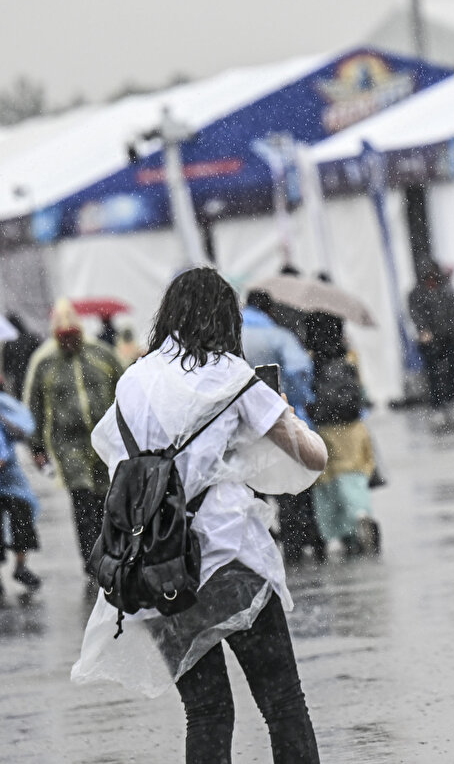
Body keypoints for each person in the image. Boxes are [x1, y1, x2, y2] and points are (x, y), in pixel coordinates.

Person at [71, 267, 328, 763]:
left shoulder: (135, 379)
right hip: (229, 556)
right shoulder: (234, 377)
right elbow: (312, 456)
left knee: (207, 711)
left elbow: (113, 454)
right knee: (282, 701)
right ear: (225, 319)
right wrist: (282, 411)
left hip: (158, 565)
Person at [23, 299, 123, 578]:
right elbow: (34, 406)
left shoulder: (101, 355)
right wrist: (37, 447)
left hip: (105, 440)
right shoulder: (44, 364)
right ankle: (92, 559)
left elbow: (126, 388)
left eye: (72, 334)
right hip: (69, 445)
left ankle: (111, 552)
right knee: (82, 498)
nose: (68, 340)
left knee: (106, 497)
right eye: (62, 336)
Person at [241, 290, 325, 565]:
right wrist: (302, 399)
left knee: (248, 497)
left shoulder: (227, 339)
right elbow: (299, 370)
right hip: (280, 423)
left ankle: (256, 550)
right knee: (292, 492)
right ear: (270, 310)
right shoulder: (278, 336)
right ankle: (295, 545)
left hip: (240, 431)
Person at [306, 311, 380, 556]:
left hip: (323, 428)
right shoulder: (349, 357)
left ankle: (335, 534)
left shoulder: (309, 359)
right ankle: (360, 513)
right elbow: (362, 393)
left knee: (325, 482)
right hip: (352, 427)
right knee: (353, 477)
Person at [408, 265, 454, 427]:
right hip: (430, 340)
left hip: (448, 337)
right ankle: (437, 405)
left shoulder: (445, 289)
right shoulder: (417, 293)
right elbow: (415, 313)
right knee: (433, 374)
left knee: (453, 369)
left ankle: (452, 399)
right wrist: (423, 329)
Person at [0, 386, 41, 597]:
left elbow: (23, 428)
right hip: (8, 473)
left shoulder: (4, 404)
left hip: (10, 476)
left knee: (21, 517)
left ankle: (21, 566)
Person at [2, 313, 43, 393]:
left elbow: (7, 366)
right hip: (31, 375)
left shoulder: (9, 344)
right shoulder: (32, 339)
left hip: (17, 379)